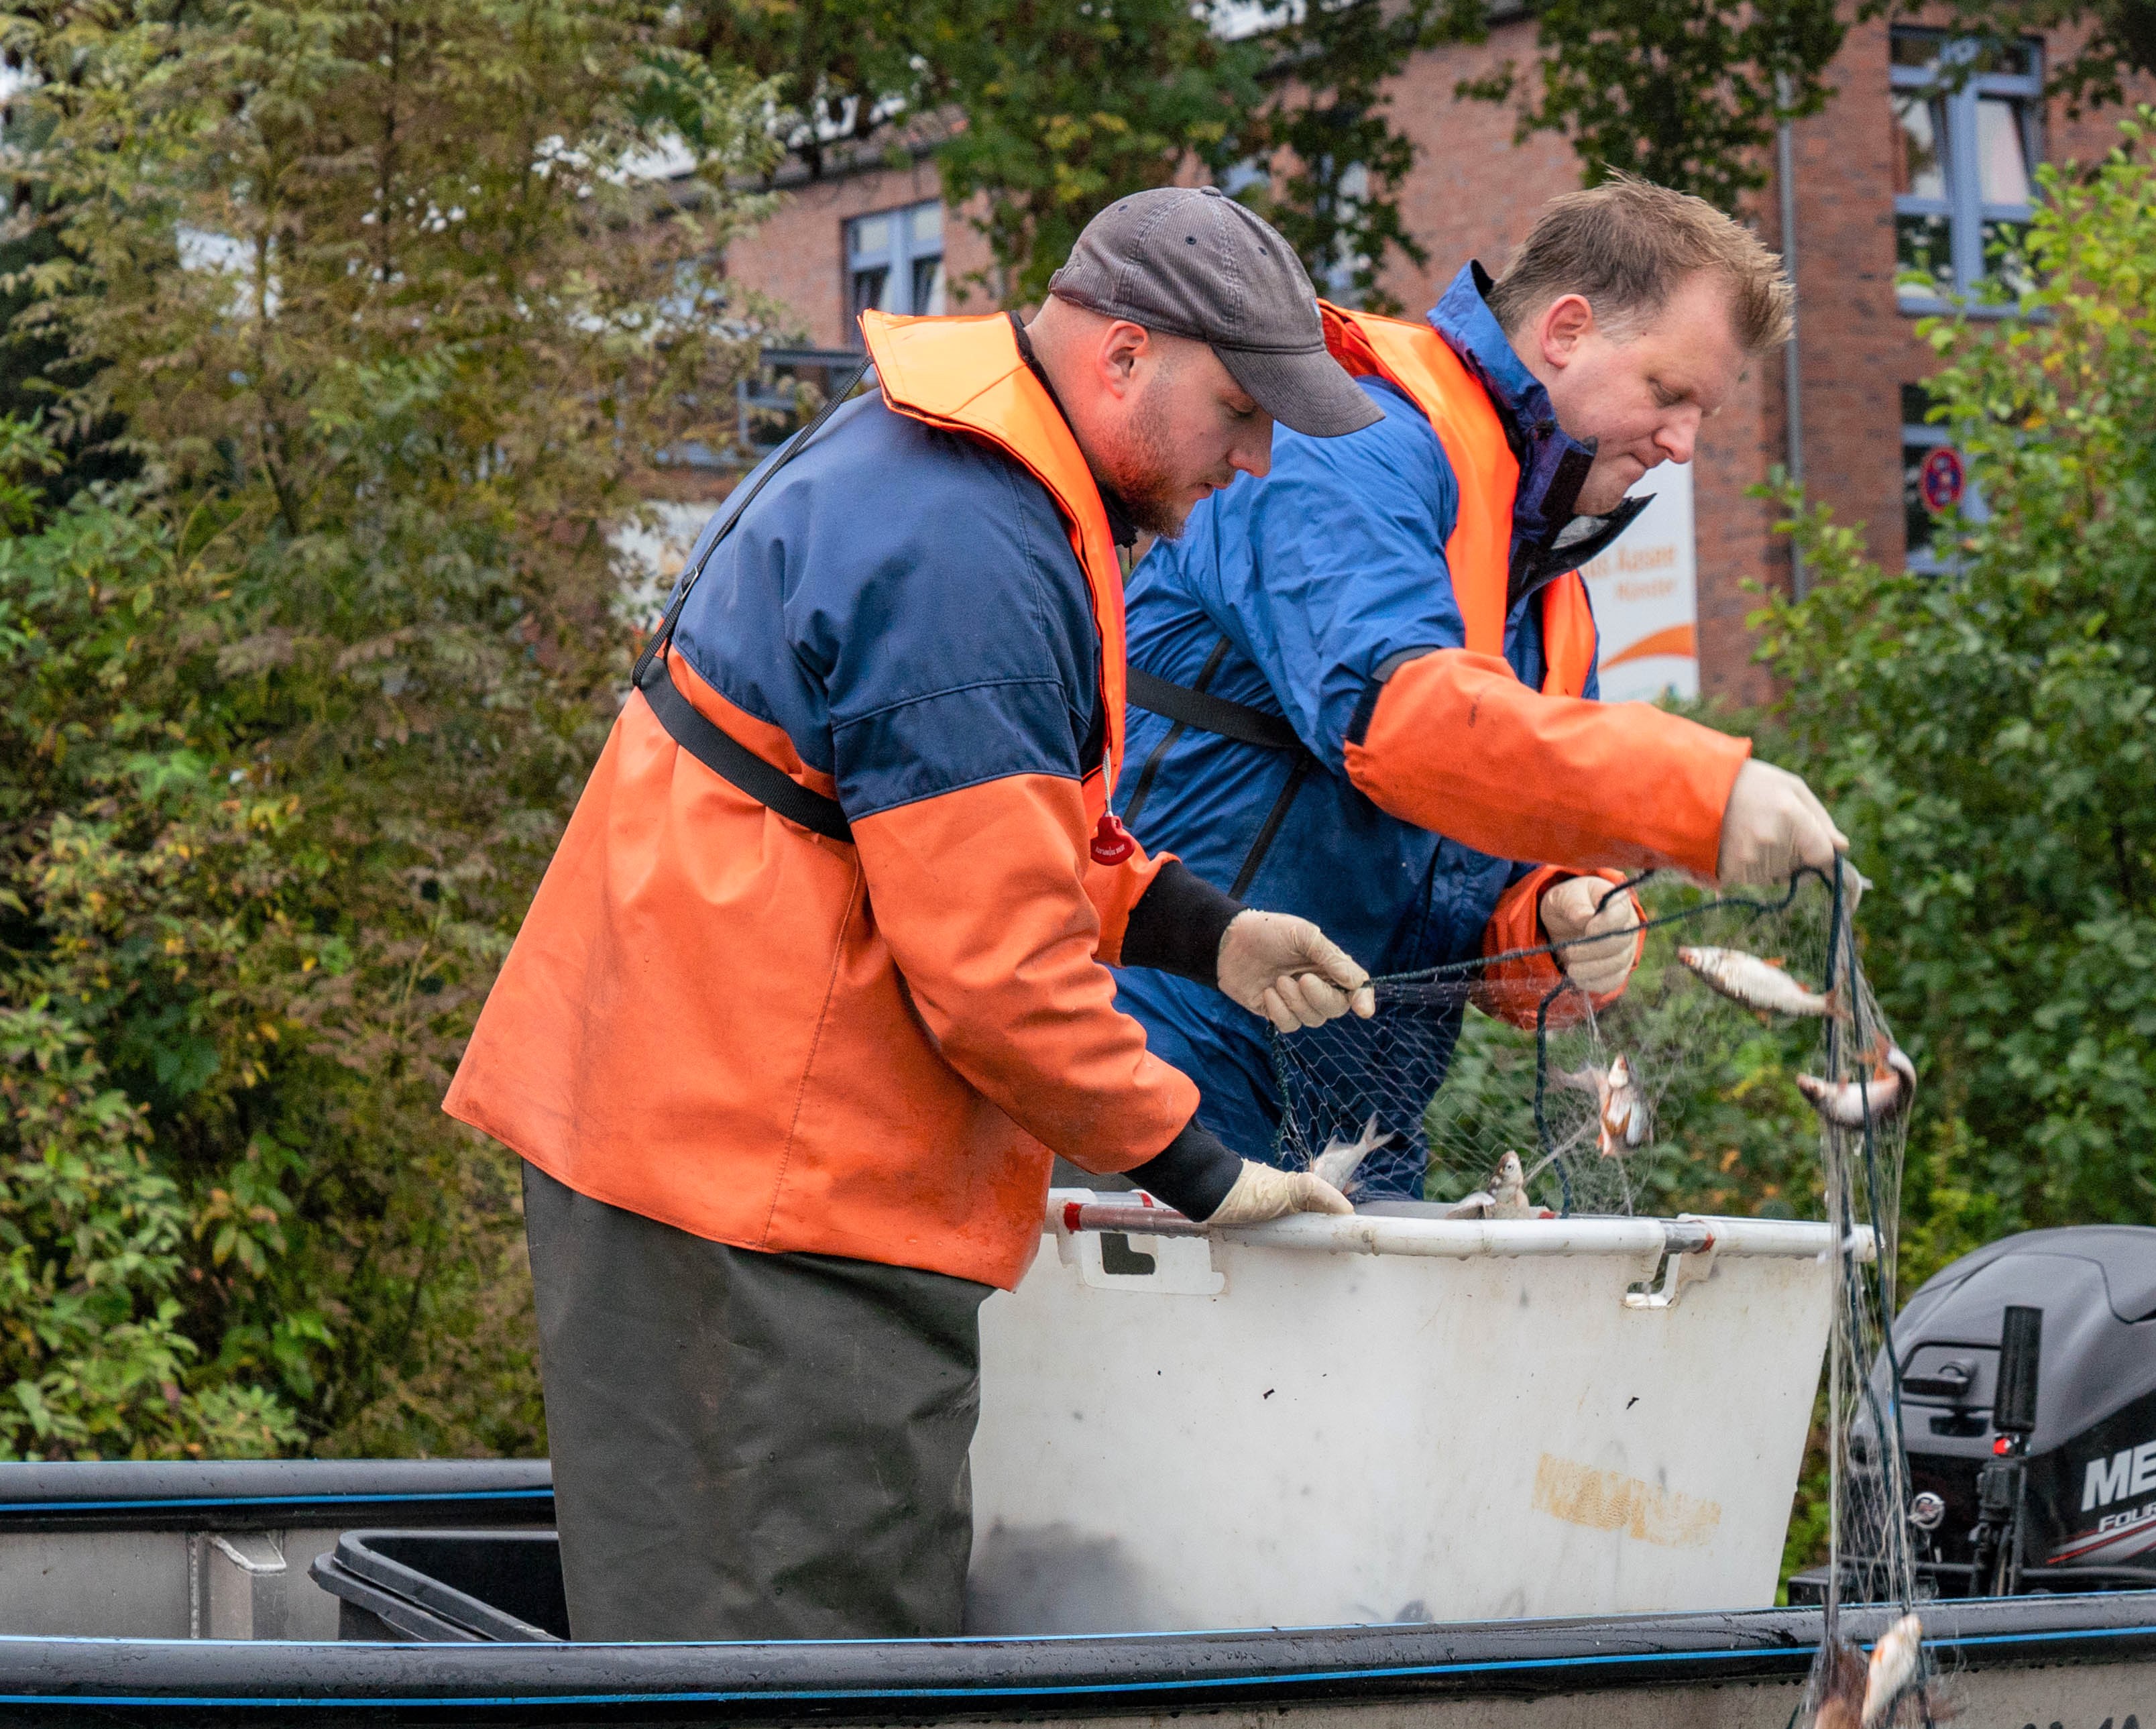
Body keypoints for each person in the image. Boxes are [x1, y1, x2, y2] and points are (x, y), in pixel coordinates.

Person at [445, 187, 1381, 1640]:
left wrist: (1204, 932)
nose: (1253, 459)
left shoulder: (947, 472)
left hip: (690, 1140)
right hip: (759, 1198)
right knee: (808, 1674)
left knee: (704, 1655)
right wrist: (1202, 1167)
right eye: (1240, 411)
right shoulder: (971, 546)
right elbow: (998, 974)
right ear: (1124, 355)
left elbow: (946, 832)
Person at [1106, 176, 1849, 1199]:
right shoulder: (1350, 446)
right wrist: (1702, 796)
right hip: (1154, 1081)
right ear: (1567, 331)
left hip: (1358, 1126)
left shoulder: (1545, 588)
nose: (1683, 445)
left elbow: (1494, 884)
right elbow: (1402, 726)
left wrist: (1557, 922)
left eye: (1701, 416)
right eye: (1670, 394)